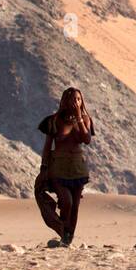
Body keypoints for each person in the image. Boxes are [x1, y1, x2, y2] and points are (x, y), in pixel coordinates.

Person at [38, 87, 94, 247]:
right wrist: (44, 167)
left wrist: (79, 118)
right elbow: (47, 146)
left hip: (77, 166)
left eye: (78, 99)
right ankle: (63, 229)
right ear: (64, 101)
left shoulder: (85, 119)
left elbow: (86, 139)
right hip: (59, 167)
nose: (75, 102)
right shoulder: (54, 120)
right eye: (72, 99)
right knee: (66, 202)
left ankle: (68, 238)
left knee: (75, 205)